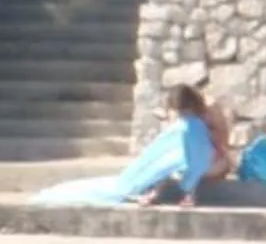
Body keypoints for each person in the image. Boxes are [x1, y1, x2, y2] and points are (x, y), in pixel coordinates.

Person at [33, 84, 232, 211]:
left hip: (211, 156)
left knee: (184, 150)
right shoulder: (179, 120)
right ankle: (152, 189)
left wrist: (198, 133)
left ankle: (188, 191)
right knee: (171, 152)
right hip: (182, 156)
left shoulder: (209, 108)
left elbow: (222, 139)